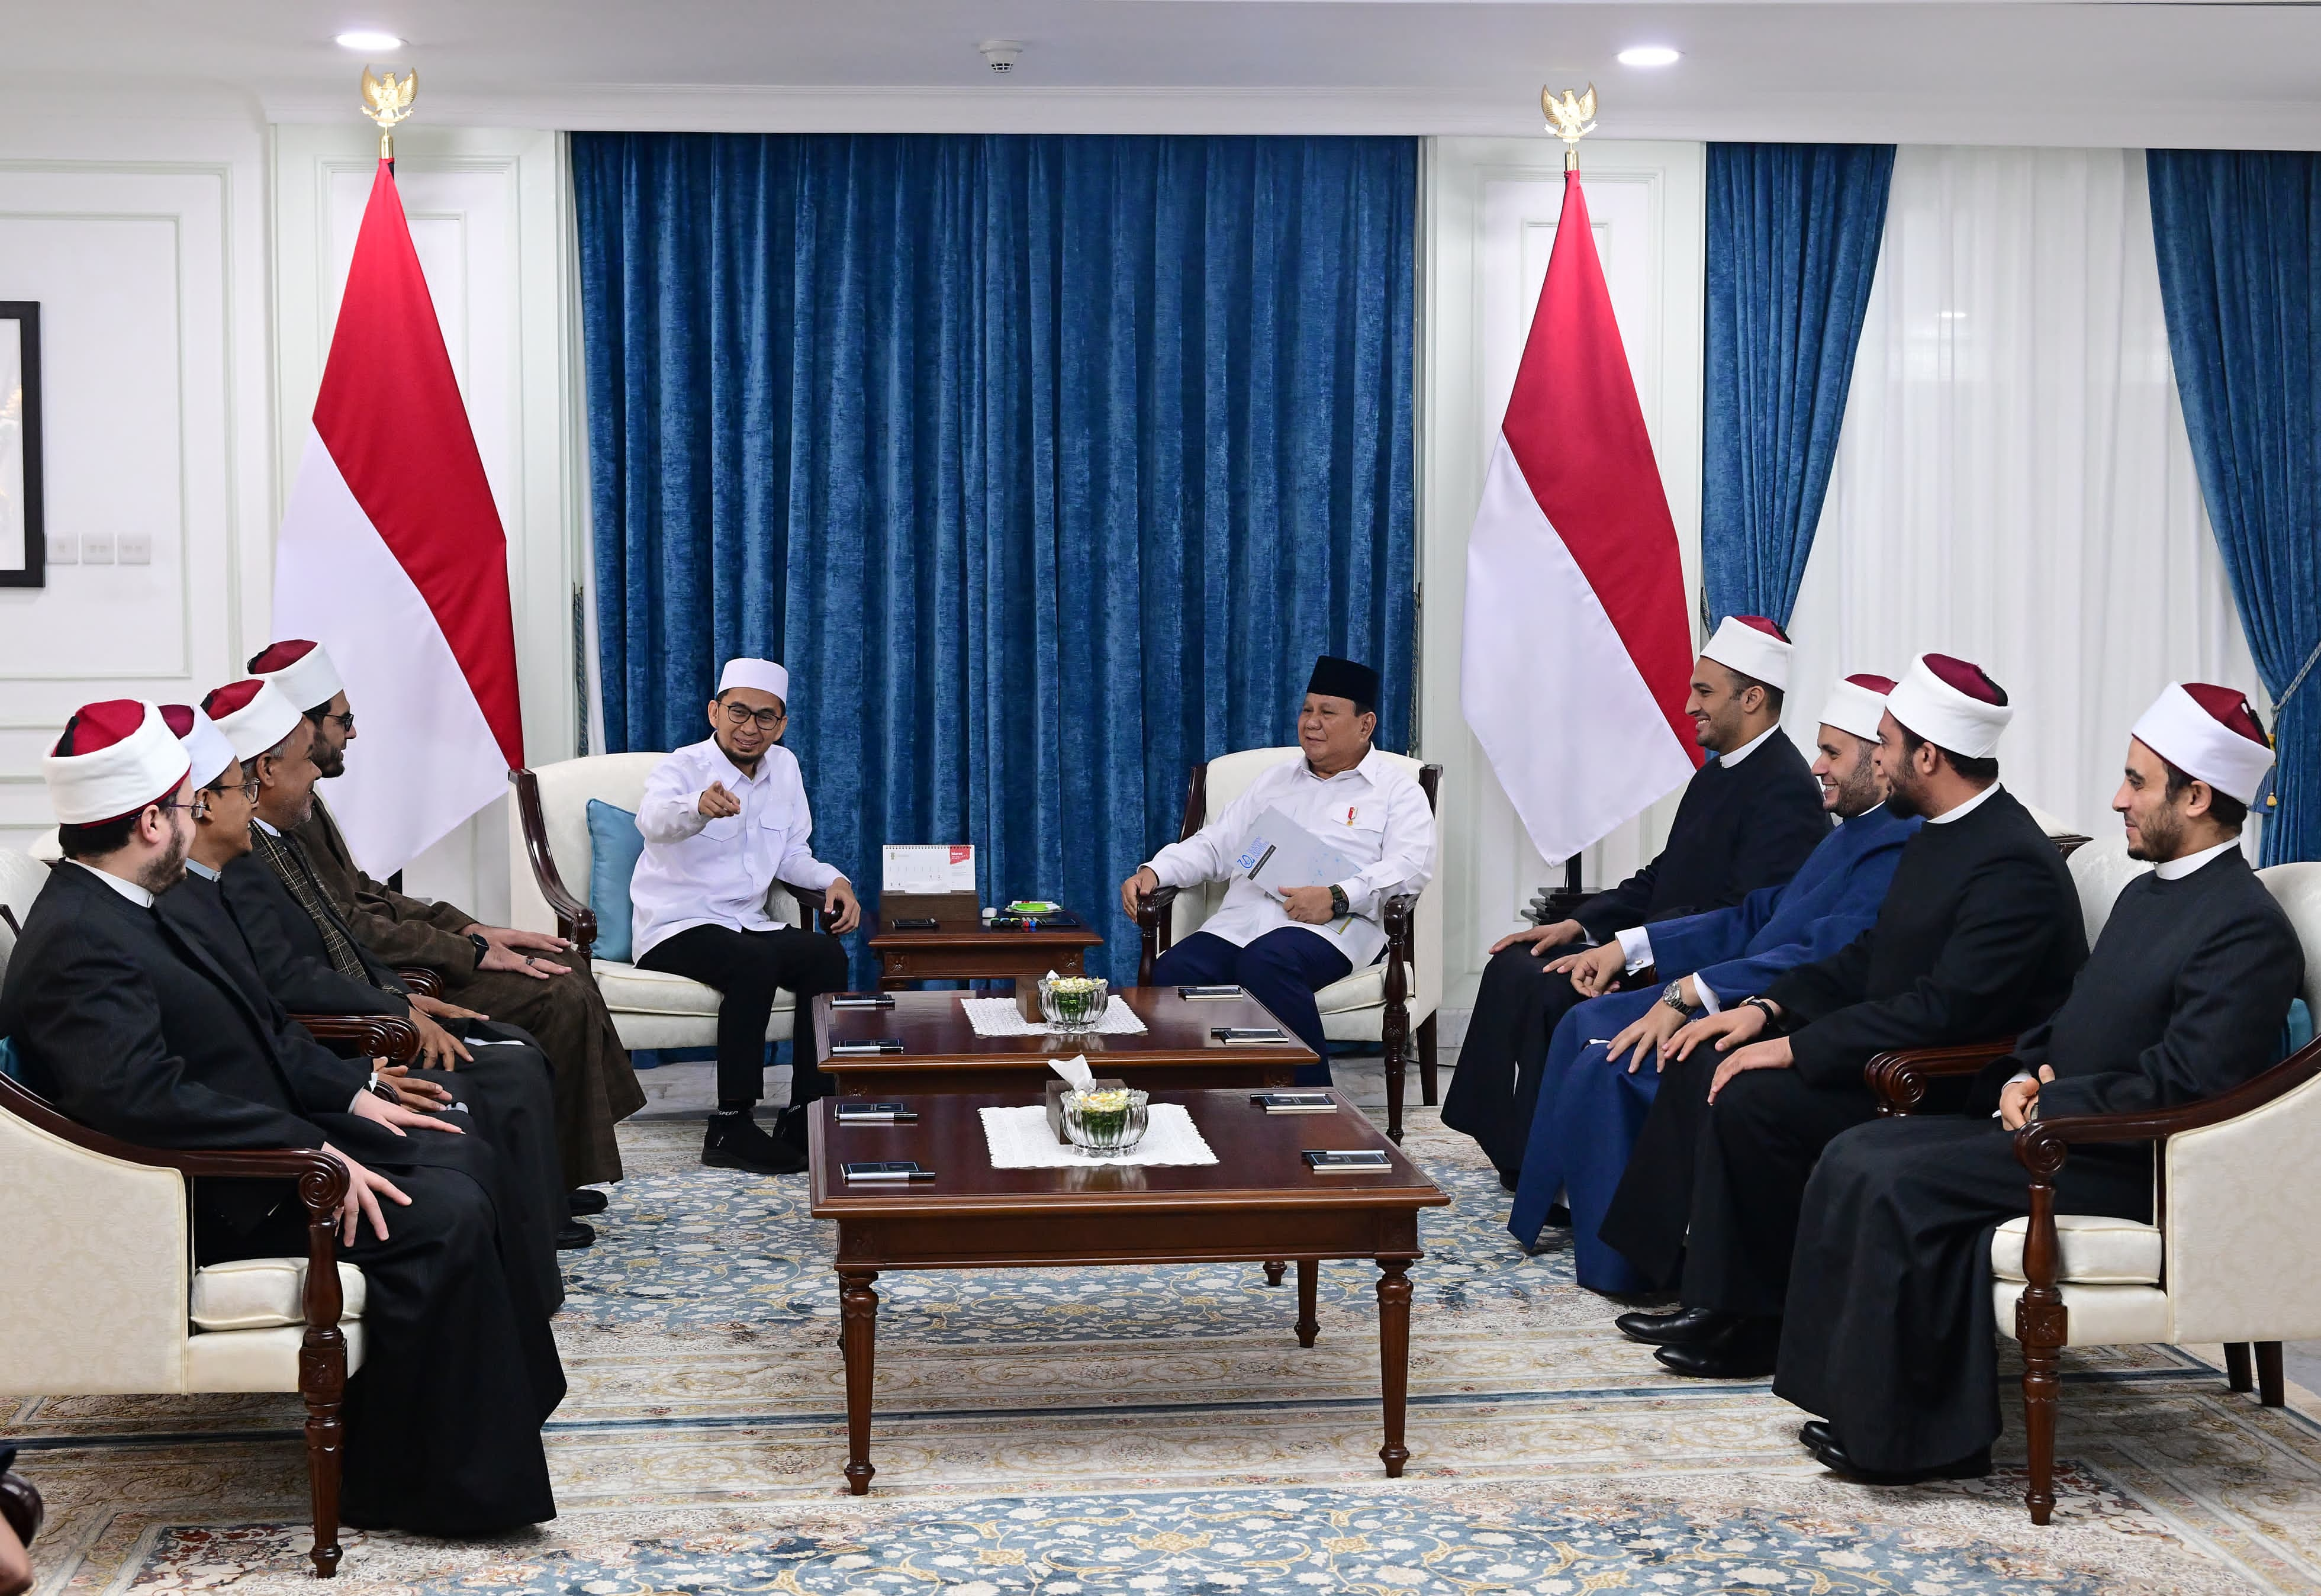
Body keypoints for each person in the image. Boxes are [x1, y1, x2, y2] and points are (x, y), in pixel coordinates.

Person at [0, 701, 562, 1534]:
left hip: (260, 1142)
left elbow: (258, 1025)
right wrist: (313, 1150)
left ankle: (490, 1421)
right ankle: (422, 1485)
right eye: (191, 809)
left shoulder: (131, 903)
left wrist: (355, 1099)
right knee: (443, 1215)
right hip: (213, 1193)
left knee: (462, 1151)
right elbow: (140, 1103)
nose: (199, 828)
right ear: (150, 821)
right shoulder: (81, 938)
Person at [1778, 683, 2299, 1484]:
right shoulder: (2146, 893)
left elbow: (2193, 1084)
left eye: (2136, 781)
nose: (2118, 800)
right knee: (1860, 1148)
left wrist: (2053, 1103)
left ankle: (1921, 1444)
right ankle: (1858, 1405)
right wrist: (2024, 1071)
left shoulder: (2243, 926)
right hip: (2064, 1130)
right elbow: (2070, 1014)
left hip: (2128, 1161)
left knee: (1890, 1176)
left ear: (2195, 797)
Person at [1602, 652, 2087, 1378]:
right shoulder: (1939, 830)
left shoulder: (2009, 859)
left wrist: (1796, 1048)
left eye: (1885, 744)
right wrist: (1767, 1008)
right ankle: (1717, 1295)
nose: (1878, 763)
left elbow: (1946, 1009)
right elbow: (1871, 954)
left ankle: (1754, 1317)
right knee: (1714, 1053)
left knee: (1755, 1096)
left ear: (1928, 754)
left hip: (1950, 1076)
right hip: (1894, 1038)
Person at [1507, 674, 1919, 1290]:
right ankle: (1560, 1207)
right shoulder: (1854, 828)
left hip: (1781, 1011)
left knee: (1607, 1059)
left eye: (1834, 753)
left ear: (1882, 761)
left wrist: (1695, 989)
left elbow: (1822, 956)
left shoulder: (1897, 842)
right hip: (1741, 985)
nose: (1817, 766)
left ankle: (1620, 1259)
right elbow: (1759, 913)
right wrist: (1630, 944)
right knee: (1581, 1021)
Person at [175, 688, 581, 1278]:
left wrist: (402, 998)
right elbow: (278, 992)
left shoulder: (273, 843)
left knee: (516, 1057)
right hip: (329, 1066)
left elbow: (338, 937)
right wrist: (369, 1062)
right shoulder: (228, 874)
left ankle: (535, 1231)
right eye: (305, 762)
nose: (319, 769)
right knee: (498, 1084)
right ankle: (527, 1247)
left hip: (345, 1045)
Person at [250, 639, 644, 1199]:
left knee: (563, 964)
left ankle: (558, 1169)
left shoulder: (299, 798)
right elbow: (349, 928)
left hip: (395, 959)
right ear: (304, 729)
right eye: (345, 720)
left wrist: (468, 927)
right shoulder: (275, 817)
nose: (353, 733)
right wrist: (470, 954)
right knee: (558, 994)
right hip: (390, 971)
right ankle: (548, 1182)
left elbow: (365, 893)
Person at [1441, 616, 1829, 1184]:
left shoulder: (1786, 786)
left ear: (1751, 699)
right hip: (1652, 945)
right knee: (1514, 966)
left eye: (1703, 692)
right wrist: (1578, 927)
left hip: (1694, 966)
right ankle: (1516, 1148)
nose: (1689, 705)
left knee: (1550, 986)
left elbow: (1747, 917)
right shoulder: (1719, 771)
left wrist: (1629, 955)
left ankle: (1544, 1167)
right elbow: (1663, 875)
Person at [1123, 655, 1434, 1086]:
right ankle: (1195, 1104)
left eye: (1327, 713)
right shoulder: (1273, 781)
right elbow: (1217, 844)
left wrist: (1337, 896)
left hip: (1335, 928)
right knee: (1172, 973)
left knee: (1268, 962)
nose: (1311, 723)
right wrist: (1157, 872)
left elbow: (1408, 869)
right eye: (1306, 710)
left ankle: (1313, 1104)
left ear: (1365, 725)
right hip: (1242, 921)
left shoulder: (1396, 790)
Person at [630, 658, 860, 1175]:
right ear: (715, 712)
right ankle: (731, 1125)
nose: (749, 727)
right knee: (754, 961)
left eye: (764, 717)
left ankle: (806, 1110)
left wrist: (834, 881)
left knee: (824, 954)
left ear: (780, 725)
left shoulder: (786, 767)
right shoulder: (683, 767)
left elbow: (792, 854)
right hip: (675, 924)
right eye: (737, 712)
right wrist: (698, 807)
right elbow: (653, 822)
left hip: (746, 922)